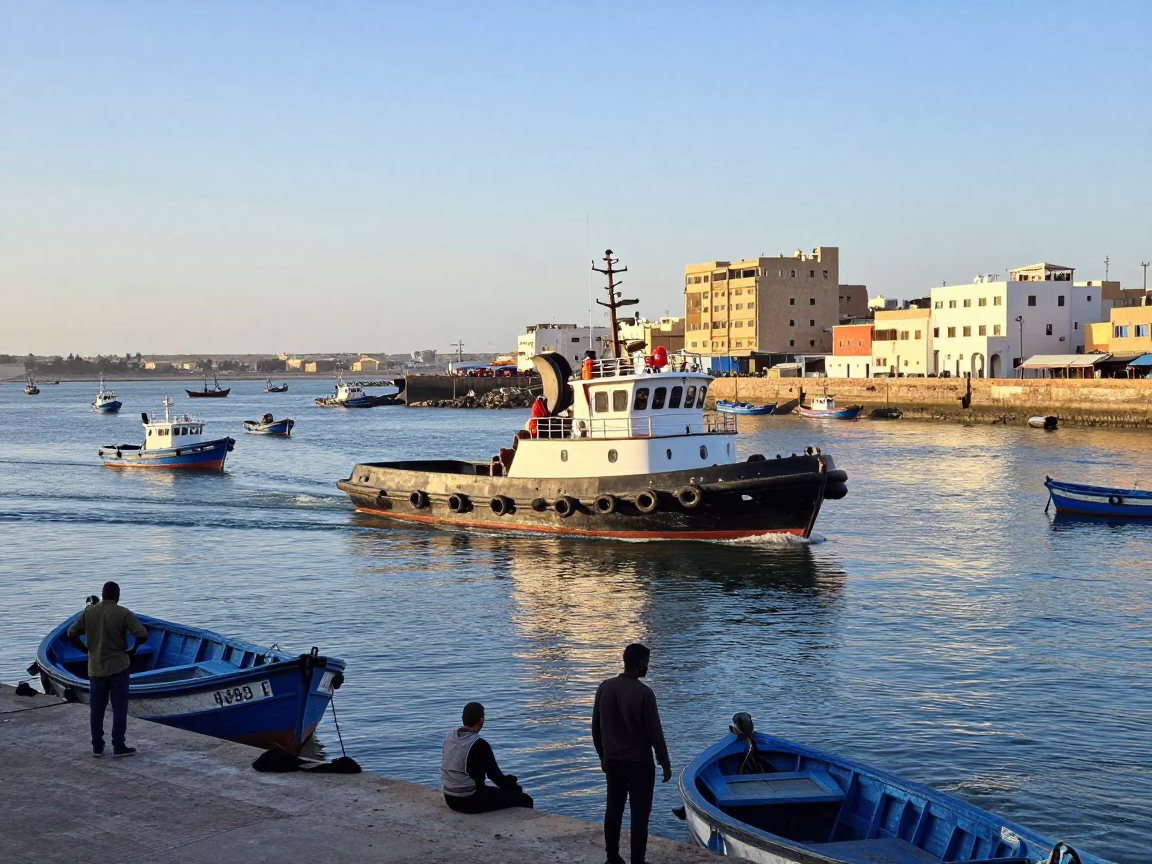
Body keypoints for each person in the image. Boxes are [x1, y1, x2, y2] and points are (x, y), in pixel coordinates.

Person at [592, 643, 671, 864]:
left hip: (614, 761)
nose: (648, 665)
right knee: (639, 814)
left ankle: (612, 857)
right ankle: (638, 859)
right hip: (640, 763)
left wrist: (602, 755)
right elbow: (655, 732)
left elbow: (596, 727)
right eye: (647, 661)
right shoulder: (645, 693)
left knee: (613, 810)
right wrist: (664, 762)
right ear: (639, 664)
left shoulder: (605, 687)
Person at [67, 581, 148, 758]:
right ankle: (118, 745)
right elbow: (142, 634)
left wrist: (84, 649)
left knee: (96, 710)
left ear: (103, 595)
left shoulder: (89, 612)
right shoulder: (123, 613)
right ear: (117, 595)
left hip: (95, 669)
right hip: (118, 667)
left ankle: (97, 746)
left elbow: (71, 633)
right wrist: (133, 649)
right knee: (119, 708)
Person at [440, 701, 534, 813]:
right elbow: (495, 777)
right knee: (525, 800)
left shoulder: (449, 738)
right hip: (467, 800)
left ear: (462, 718)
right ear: (481, 720)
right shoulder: (479, 744)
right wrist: (514, 788)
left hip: (449, 797)